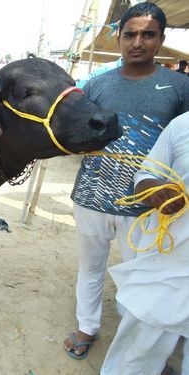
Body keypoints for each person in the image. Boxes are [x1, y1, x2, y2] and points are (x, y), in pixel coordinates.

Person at [64, 2, 189, 359]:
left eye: (148, 34)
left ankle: (140, 346)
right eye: (130, 34)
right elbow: (77, 134)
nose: (138, 42)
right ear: (119, 38)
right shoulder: (97, 85)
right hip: (91, 194)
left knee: (146, 277)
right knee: (90, 266)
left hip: (147, 206)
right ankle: (87, 326)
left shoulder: (179, 86)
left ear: (161, 39)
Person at [101, 111, 189, 374]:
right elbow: (144, 178)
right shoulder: (182, 125)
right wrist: (156, 191)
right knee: (138, 349)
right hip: (170, 260)